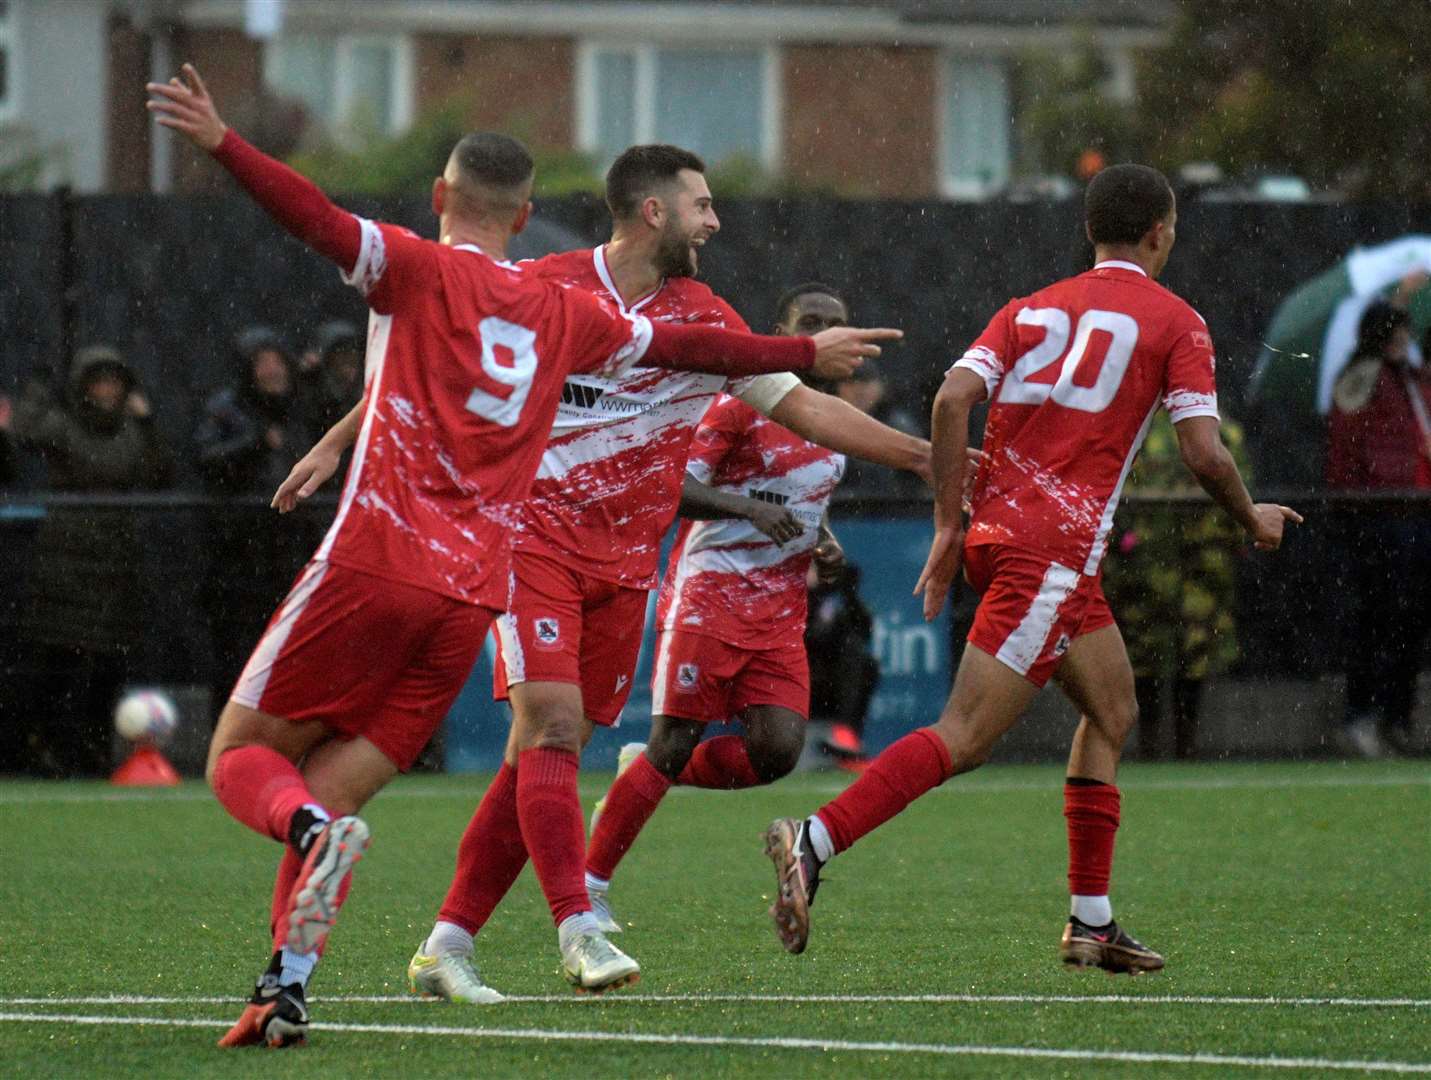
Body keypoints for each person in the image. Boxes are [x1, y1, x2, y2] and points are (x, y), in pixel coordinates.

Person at [149, 63, 892, 1046]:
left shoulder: (415, 267)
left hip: (378, 559)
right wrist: (801, 352)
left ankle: (389, 868)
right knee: (350, 783)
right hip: (466, 594)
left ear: (441, 199)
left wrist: (218, 142)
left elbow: (314, 216)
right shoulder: (563, 312)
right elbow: (690, 354)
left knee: (242, 759)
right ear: (529, 210)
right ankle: (288, 984)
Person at [393, 149, 931, 1006]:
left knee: (531, 756)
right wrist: (341, 443)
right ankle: (579, 927)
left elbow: (802, 406)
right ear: (652, 212)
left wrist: (923, 458)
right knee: (555, 728)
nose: (715, 222)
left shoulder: (705, 318)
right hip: (528, 540)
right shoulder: (546, 284)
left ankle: (444, 946)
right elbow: (429, 349)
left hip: (621, 566)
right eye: (703, 206)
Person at [762, 164, 1302, 972]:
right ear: (1161, 230)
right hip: (1052, 553)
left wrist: (950, 520)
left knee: (1112, 710)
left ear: (1091, 231)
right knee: (966, 735)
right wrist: (1250, 515)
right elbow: (1200, 448)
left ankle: (1090, 921)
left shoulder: (1029, 309)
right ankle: (816, 839)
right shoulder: (1175, 322)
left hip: (1008, 539)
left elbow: (950, 401)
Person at [580, 283, 857, 932]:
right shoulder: (740, 406)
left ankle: (638, 777)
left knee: (778, 750)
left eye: (834, 324)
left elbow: (793, 501)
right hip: (709, 595)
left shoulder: (836, 429)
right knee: (673, 741)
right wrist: (751, 510)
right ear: (783, 333)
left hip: (778, 609)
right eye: (809, 322)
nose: (823, 332)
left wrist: (819, 537)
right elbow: (676, 486)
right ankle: (589, 887)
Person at [10, 345, 174, 777]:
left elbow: (160, 472)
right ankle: (48, 749)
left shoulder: (133, 431)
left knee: (105, 668)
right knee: (60, 663)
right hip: (65, 558)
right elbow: (25, 432)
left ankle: (95, 751)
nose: (107, 391)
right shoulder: (63, 426)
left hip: (115, 560)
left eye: (114, 383)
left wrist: (149, 422)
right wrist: (39, 388)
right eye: (98, 382)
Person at [1100, 412, 1251, 759]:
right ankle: (1149, 743)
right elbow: (1113, 493)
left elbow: (1241, 495)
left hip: (1202, 568)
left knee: (1196, 651)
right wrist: (1125, 540)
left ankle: (1186, 744)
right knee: (1143, 653)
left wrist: (1232, 538)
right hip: (1142, 565)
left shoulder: (1222, 433)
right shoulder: (1133, 431)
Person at [1326, 300, 1431, 757]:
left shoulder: (1412, 380)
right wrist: (1356, 504)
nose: (1404, 341)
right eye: (1397, 333)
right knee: (1378, 619)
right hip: (1383, 515)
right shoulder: (1365, 377)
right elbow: (1345, 448)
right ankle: (1362, 718)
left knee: (1410, 622)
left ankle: (1394, 718)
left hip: (1415, 510)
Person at [195, 327, 316, 714]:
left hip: (293, 546)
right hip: (240, 553)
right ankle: (230, 730)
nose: (272, 371)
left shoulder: (302, 407)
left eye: (277, 361)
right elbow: (207, 459)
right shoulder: (227, 410)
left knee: (295, 644)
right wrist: (254, 445)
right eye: (262, 363)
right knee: (238, 648)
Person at [831, 360, 927, 497]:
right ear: (837, 387)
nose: (859, 391)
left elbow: (917, 482)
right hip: (838, 509)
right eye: (850, 383)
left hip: (893, 511)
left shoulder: (899, 426)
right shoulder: (825, 424)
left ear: (881, 386)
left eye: (866, 382)